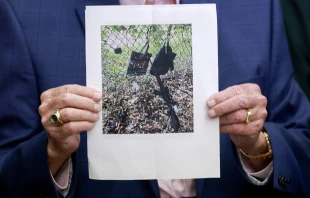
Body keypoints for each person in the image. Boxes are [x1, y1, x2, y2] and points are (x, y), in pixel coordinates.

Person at [0, 0, 310, 197]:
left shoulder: (255, 7)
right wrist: (53, 151)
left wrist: (258, 147)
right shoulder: (24, 10)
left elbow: (302, 145)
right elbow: (7, 171)